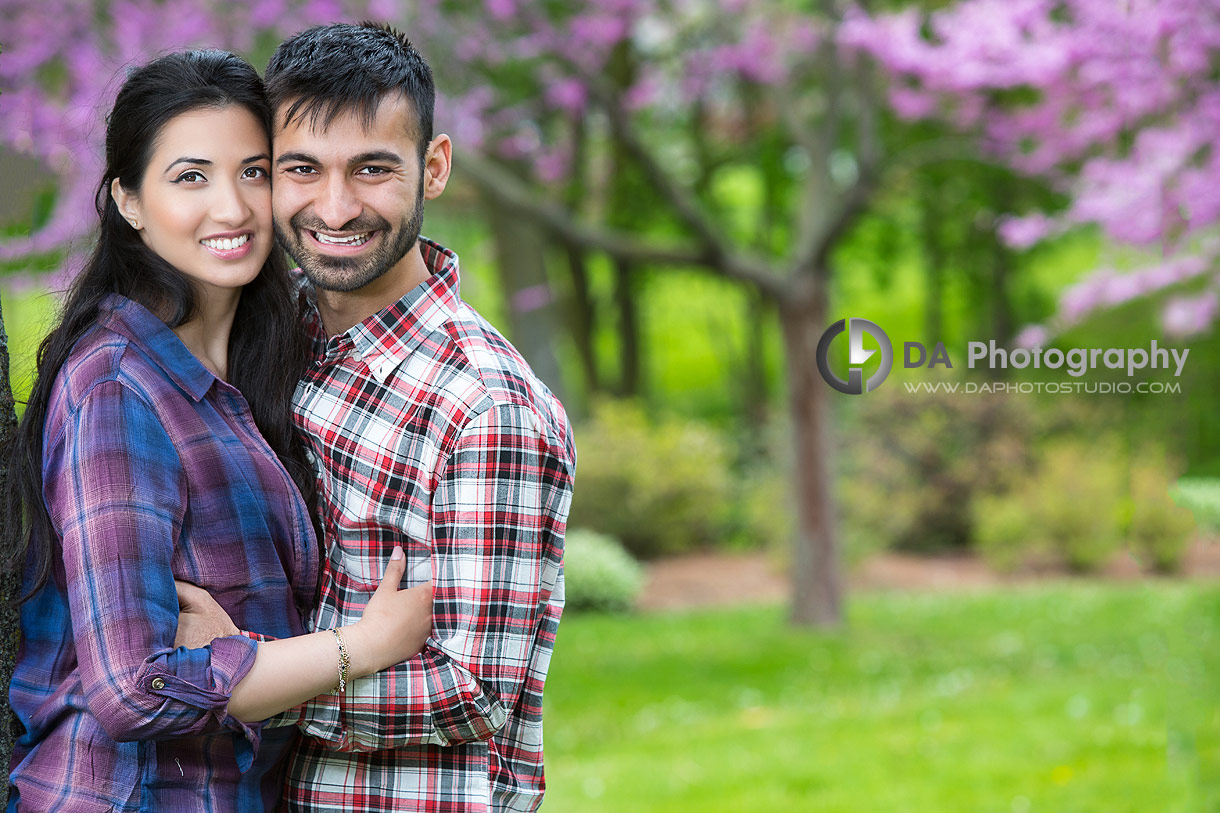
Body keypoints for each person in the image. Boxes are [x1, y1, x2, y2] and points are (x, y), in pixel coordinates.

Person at [3, 50, 431, 812]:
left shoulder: (258, 368)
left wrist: (255, 657)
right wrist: (359, 647)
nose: (231, 208)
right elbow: (132, 688)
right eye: (190, 177)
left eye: (255, 172)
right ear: (128, 201)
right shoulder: (118, 385)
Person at [178, 21, 577, 813]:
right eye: (302, 169)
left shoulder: (486, 406)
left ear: (434, 167)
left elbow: (476, 689)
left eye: (372, 169)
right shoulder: (263, 335)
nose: (335, 205)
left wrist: (247, 679)